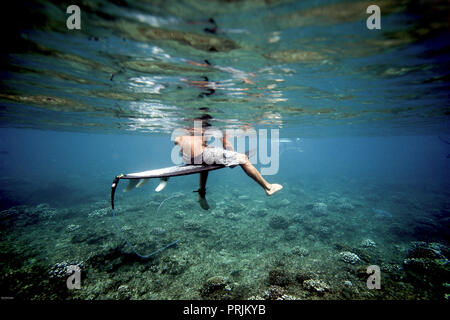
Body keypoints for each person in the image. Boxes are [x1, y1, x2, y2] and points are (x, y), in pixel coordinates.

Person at [174, 121, 283, 210]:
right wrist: (233, 157)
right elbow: (226, 143)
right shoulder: (211, 126)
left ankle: (201, 194)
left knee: (205, 164)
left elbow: (176, 141)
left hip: (187, 158)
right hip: (203, 155)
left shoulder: (187, 129)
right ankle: (268, 187)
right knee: (243, 159)